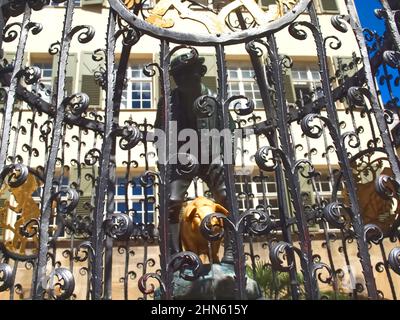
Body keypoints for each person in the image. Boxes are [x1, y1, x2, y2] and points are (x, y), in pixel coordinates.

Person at [154, 51, 235, 264]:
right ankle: (175, 255)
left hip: (212, 155)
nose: (183, 80)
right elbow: (159, 132)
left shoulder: (215, 100)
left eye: (188, 74)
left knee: (226, 197)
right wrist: (165, 163)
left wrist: (226, 162)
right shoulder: (168, 102)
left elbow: (230, 130)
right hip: (181, 157)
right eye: (178, 75)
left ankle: (231, 251)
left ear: (199, 73)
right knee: (172, 200)